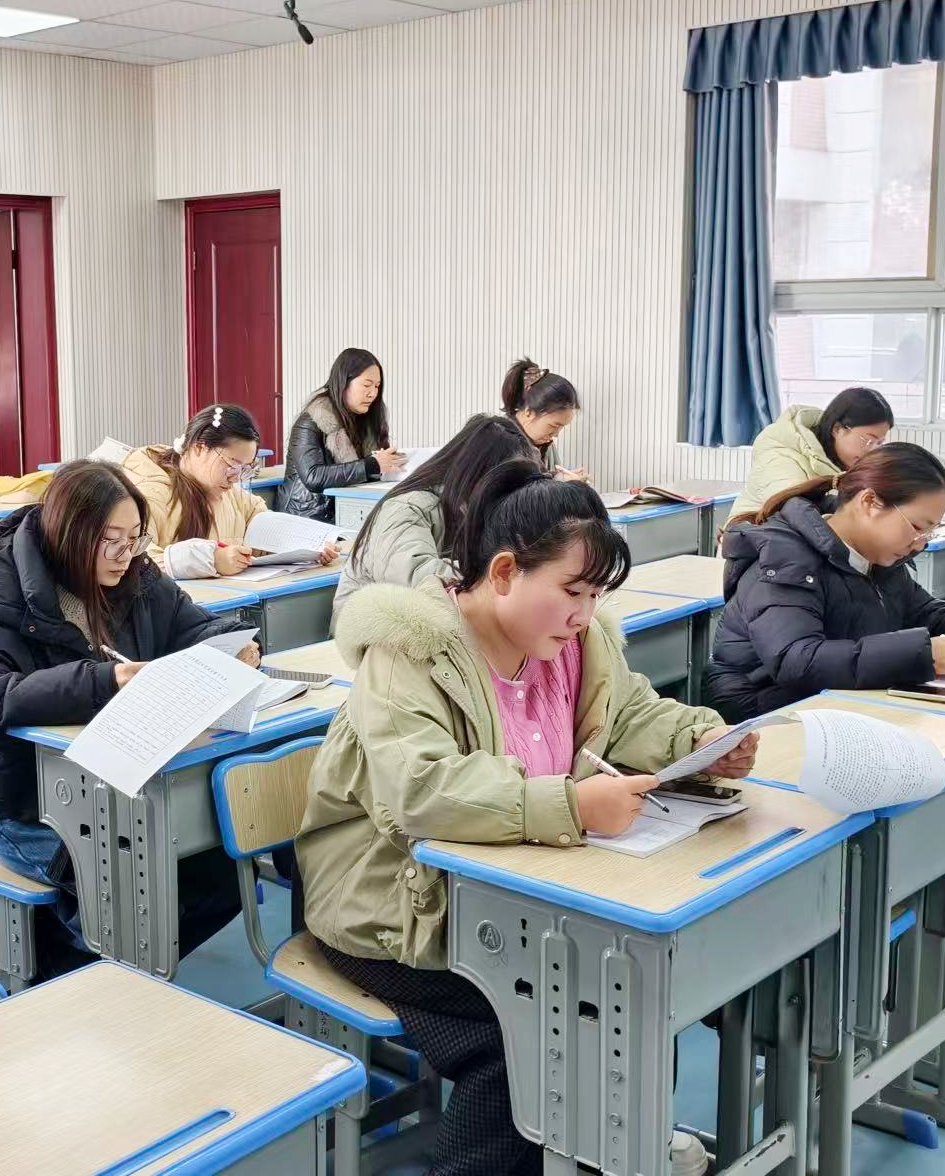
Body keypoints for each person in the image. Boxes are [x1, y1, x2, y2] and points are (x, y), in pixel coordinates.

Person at [297, 460, 758, 1176]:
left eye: (597, 595)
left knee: (631, 996)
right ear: (506, 572)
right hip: (395, 907)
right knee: (532, 1031)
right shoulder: (411, 652)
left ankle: (612, 1150)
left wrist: (699, 741)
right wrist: (570, 804)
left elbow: (629, 713)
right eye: (572, 592)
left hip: (516, 899)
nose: (584, 614)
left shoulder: (574, 646)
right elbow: (421, 790)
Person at [0, 462, 253, 977]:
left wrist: (232, 644)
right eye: (110, 540)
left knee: (222, 876)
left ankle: (86, 965)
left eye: (135, 538)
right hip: (28, 805)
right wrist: (103, 681)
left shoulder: (136, 575)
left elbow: (194, 626)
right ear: (69, 535)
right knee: (130, 885)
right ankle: (71, 974)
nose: (125, 554)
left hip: (120, 790)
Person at [706, 443, 945, 722]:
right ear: (869, 502)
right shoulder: (783, 559)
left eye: (929, 532)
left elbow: (924, 614)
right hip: (765, 715)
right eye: (916, 527)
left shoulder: (876, 555)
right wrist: (921, 656)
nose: (920, 544)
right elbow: (797, 660)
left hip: (834, 703)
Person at [334, 413, 538, 622]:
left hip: (422, 623)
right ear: (479, 473)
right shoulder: (408, 507)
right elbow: (416, 578)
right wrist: (498, 576)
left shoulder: (472, 510)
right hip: (369, 630)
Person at [122, 404, 337, 580]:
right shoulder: (149, 494)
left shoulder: (231, 495)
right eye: (232, 464)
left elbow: (265, 527)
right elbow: (134, 560)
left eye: (245, 469)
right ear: (199, 448)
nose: (236, 477)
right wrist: (212, 560)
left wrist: (308, 547)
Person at [727, 387, 895, 524]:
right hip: (749, 544)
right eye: (868, 440)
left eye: (879, 443)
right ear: (838, 429)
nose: (872, 451)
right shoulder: (782, 457)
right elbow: (800, 519)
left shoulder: (843, 461)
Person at [282, 348, 406, 522]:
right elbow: (313, 476)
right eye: (366, 385)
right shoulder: (310, 422)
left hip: (349, 511)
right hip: (307, 517)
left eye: (377, 386)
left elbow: (374, 471)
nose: (373, 393)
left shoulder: (366, 420)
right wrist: (371, 465)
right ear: (344, 382)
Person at [500, 357, 581, 476]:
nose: (556, 434)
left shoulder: (545, 445)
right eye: (554, 426)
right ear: (529, 412)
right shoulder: (498, 443)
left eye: (561, 427)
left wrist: (562, 479)